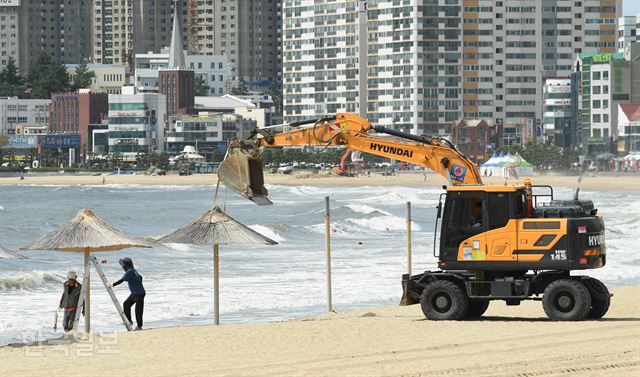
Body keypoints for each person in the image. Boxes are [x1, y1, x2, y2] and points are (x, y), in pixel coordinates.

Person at [108, 257, 146, 330]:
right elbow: (140, 277)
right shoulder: (133, 270)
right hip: (135, 293)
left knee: (138, 310)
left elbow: (122, 280)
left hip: (139, 293)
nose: (122, 267)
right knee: (126, 304)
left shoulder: (129, 271)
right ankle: (129, 321)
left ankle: (139, 326)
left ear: (125, 266)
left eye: (123, 265)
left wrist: (112, 285)